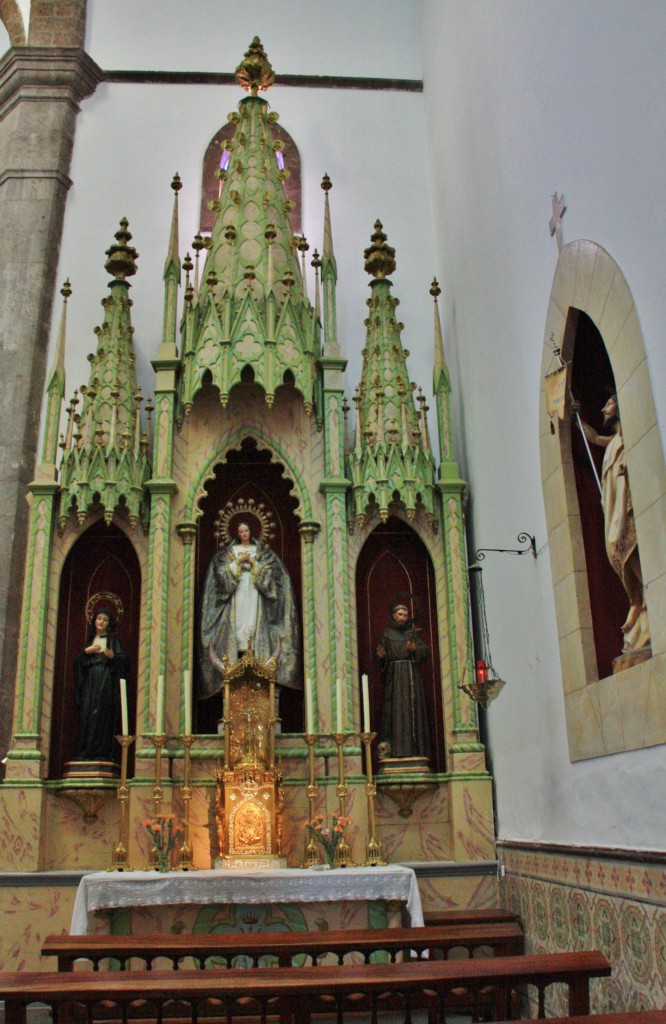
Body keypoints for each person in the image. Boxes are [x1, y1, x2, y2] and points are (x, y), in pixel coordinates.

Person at [579, 394, 650, 651]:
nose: (603, 407)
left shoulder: (626, 438)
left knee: (628, 550)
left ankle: (643, 604)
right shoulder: (611, 443)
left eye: (608, 403)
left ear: (620, 406)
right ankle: (636, 601)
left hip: (625, 506)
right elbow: (594, 438)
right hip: (612, 506)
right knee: (615, 552)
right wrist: (577, 417)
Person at [199, 521, 300, 696]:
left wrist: (254, 565)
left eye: (246, 530)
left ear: (251, 532)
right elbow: (219, 585)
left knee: (253, 624)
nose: (244, 533)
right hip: (236, 603)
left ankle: (258, 655)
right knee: (239, 625)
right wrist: (236, 563)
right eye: (241, 531)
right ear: (236, 533)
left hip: (256, 599)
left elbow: (275, 585)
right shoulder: (224, 556)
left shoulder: (266, 555)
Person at [376, 597, 431, 762]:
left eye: (405, 615)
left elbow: (424, 650)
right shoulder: (387, 633)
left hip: (410, 675)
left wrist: (415, 649)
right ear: (393, 615)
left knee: (411, 711)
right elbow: (380, 653)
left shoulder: (412, 633)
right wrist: (381, 656)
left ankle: (414, 749)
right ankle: (393, 750)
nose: (402, 618)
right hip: (394, 676)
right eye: (400, 614)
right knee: (394, 711)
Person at [73, 609, 129, 762]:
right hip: (90, 683)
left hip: (105, 681)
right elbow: (78, 664)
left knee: (102, 713)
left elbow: (124, 661)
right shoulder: (89, 640)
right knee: (87, 712)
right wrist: (86, 652)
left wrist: (114, 657)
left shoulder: (113, 641)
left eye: (105, 619)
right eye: (99, 619)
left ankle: (100, 750)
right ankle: (85, 749)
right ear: (94, 621)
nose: (101, 622)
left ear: (109, 623)